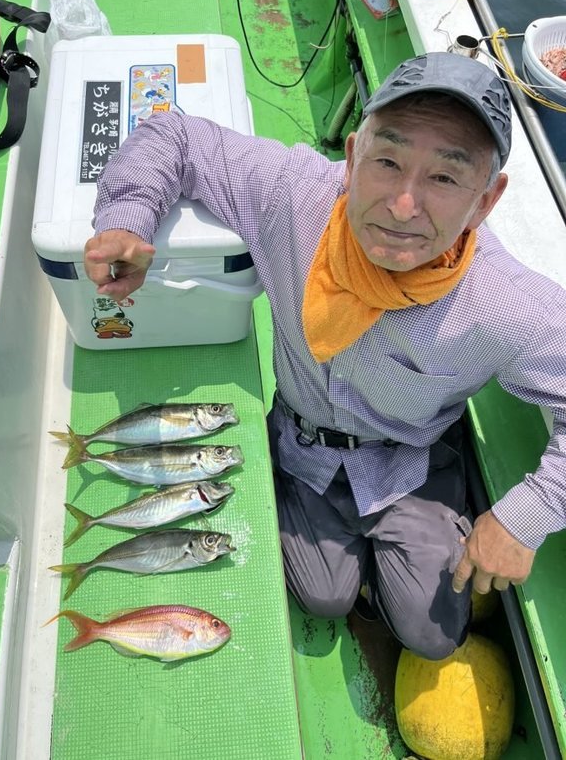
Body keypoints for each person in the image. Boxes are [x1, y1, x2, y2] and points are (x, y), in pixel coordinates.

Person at [84, 52, 566, 660]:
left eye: (445, 177)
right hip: (302, 445)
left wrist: (526, 516)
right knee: (323, 596)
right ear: (354, 153)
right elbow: (175, 134)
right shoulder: (293, 196)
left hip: (409, 462)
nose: (403, 206)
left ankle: (434, 519)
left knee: (434, 636)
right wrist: (128, 217)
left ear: (487, 200)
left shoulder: (505, 304)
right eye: (387, 161)